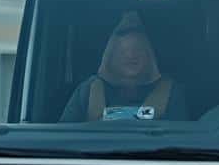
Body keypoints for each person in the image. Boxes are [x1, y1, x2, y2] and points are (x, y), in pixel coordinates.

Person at [60, 11, 188, 122]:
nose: (131, 56)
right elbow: (65, 135)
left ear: (150, 55)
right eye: (123, 51)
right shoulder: (88, 91)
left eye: (138, 49)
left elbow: (182, 138)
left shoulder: (170, 92)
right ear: (110, 56)